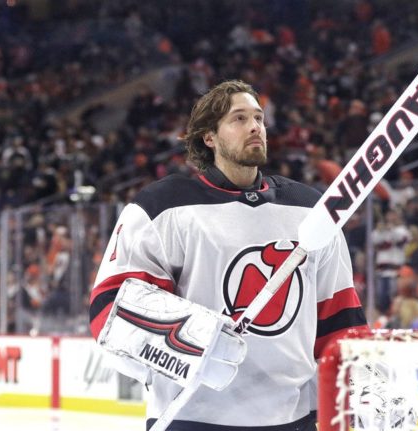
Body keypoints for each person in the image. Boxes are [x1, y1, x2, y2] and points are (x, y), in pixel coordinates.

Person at [89, 80, 368, 431]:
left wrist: (360, 386)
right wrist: (185, 338)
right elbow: (108, 307)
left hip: (293, 418)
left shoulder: (309, 209)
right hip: (192, 417)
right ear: (209, 137)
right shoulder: (163, 207)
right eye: (238, 119)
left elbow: (339, 317)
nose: (254, 126)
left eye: (258, 118)